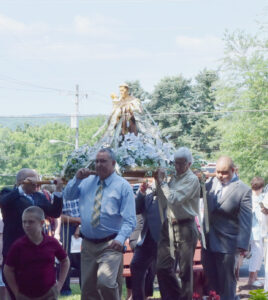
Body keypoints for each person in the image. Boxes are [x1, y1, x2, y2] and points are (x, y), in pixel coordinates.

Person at [63, 148, 136, 300]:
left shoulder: (123, 186)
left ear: (113, 163)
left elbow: (130, 220)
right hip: (88, 245)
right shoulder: (86, 182)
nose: (98, 165)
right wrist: (76, 179)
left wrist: (120, 239)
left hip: (111, 244)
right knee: (88, 290)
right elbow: (68, 196)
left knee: (106, 283)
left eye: (103, 161)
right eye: (96, 161)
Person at [0, 168, 63, 299]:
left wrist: (58, 191)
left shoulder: (39, 196)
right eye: (34, 180)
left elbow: (54, 212)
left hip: (37, 252)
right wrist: (22, 189)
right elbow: (4, 203)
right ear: (22, 181)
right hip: (14, 251)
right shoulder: (8, 193)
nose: (37, 183)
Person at [202, 156, 252, 300]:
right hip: (208, 243)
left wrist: (242, 247)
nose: (220, 176)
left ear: (233, 170)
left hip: (228, 247)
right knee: (212, 283)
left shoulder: (243, 190)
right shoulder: (210, 184)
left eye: (224, 172)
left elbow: (246, 221)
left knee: (227, 285)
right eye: (218, 172)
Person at [155, 147, 200, 300]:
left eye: (181, 164)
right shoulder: (173, 178)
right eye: (176, 163)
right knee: (161, 267)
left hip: (185, 226)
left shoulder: (192, 179)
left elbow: (174, 199)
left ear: (189, 164)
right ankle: (173, 297)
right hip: (168, 225)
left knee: (185, 272)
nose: (177, 167)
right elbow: (164, 199)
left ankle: (184, 297)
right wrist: (158, 182)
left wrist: (162, 183)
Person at [3, 206, 70, 300]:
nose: (26, 225)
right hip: (25, 295)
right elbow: (8, 269)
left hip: (49, 294)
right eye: (24, 222)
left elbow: (65, 261)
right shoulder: (18, 246)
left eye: (31, 222)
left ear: (41, 223)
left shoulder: (51, 243)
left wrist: (60, 285)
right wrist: (15, 291)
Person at [130, 181, 162, 300]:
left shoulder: (171, 183)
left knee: (165, 272)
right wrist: (141, 192)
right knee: (136, 265)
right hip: (146, 238)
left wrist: (161, 182)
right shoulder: (148, 188)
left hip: (164, 240)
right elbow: (136, 209)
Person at [60, 198, 81, 296]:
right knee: (64, 257)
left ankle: (85, 288)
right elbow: (59, 216)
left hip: (83, 226)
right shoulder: (62, 193)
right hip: (65, 227)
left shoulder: (86, 191)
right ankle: (64, 289)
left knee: (84, 260)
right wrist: (77, 220)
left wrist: (79, 226)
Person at [247, 177, 265, 287]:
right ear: (261, 187)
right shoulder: (255, 199)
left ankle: (255, 277)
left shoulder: (254, 197)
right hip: (254, 232)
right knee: (257, 254)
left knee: (259, 254)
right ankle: (251, 280)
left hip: (255, 231)